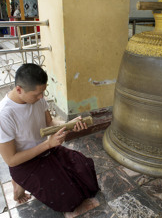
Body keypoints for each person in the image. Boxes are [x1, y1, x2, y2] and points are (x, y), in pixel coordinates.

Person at [0, 63, 100, 212]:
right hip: (24, 163)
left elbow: (50, 123)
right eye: (36, 94)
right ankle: (18, 183)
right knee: (69, 200)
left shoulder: (38, 98)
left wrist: (70, 125)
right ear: (19, 89)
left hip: (47, 150)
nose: (41, 97)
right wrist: (48, 144)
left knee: (86, 172)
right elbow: (11, 160)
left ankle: (23, 181)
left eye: (43, 92)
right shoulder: (4, 115)